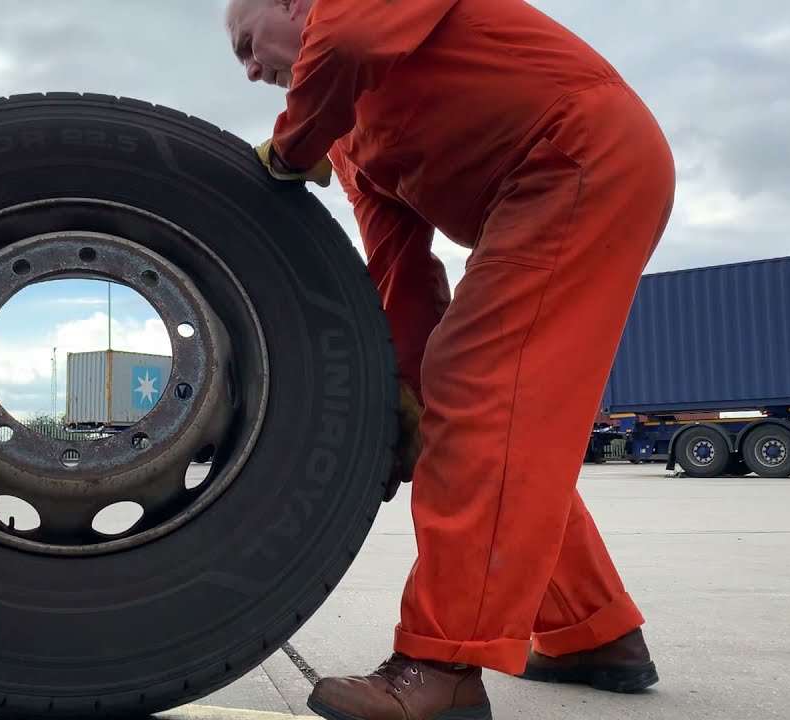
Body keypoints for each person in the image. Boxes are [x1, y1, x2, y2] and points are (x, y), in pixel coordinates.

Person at [223, 0, 677, 719]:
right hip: (538, 188)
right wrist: (402, 396)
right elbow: (398, 265)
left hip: (578, 155)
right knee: (473, 421)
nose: (250, 71)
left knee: (482, 398)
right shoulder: (350, 136)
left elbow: (350, 38)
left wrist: (290, 148)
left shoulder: (351, 38)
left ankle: (445, 666)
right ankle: (590, 630)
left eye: (248, 43)